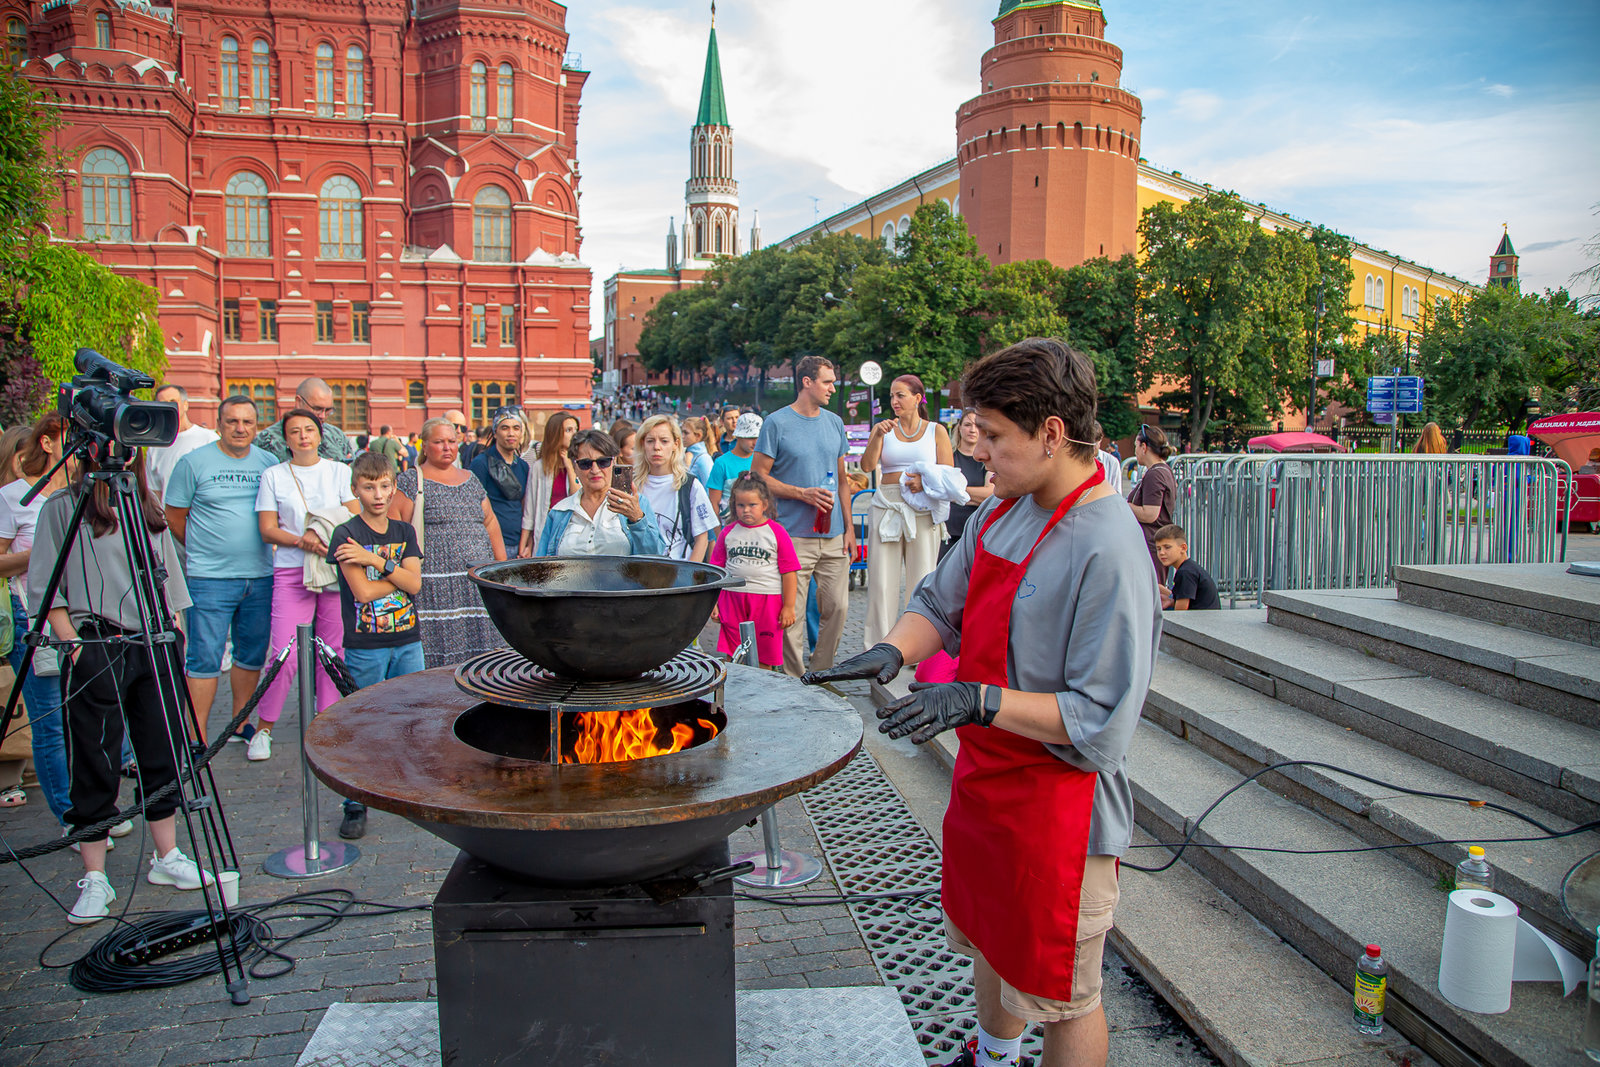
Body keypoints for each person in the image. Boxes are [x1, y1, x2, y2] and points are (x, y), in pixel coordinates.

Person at [804, 337, 1160, 1067]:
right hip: (988, 790)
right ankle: (993, 1057)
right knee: (990, 944)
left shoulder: (1111, 545)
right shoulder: (1005, 509)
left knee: (1066, 997)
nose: (978, 453)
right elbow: (940, 599)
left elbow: (1100, 725)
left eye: (992, 435)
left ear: (1051, 433)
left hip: (1061, 813)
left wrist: (978, 699)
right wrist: (893, 649)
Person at [30, 444, 216, 925]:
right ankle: (95, 876)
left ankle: (167, 856)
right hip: (95, 642)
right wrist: (73, 644)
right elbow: (47, 589)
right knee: (95, 758)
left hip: (152, 642)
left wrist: (173, 629)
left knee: (161, 751)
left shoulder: (143, 502)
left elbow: (170, 579)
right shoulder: (63, 509)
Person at [163, 395, 275, 741]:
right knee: (204, 658)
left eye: (247, 422)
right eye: (232, 421)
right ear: (218, 424)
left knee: (251, 655)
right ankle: (195, 735)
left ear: (257, 427)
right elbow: (174, 517)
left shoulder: (268, 462)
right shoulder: (194, 463)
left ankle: (239, 725)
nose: (240, 428)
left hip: (260, 576)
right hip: (209, 578)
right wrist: (204, 548)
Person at [250, 410, 359, 761]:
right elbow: (268, 529)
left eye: (309, 429)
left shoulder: (339, 471)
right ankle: (264, 727)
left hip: (332, 571)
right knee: (285, 654)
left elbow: (355, 514)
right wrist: (304, 541)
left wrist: (322, 534)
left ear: (320, 434)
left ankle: (326, 719)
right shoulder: (274, 475)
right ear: (286, 439)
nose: (302, 436)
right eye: (294, 431)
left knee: (331, 650)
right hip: (290, 571)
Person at [327, 452, 425, 839]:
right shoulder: (345, 533)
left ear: (394, 487)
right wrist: (398, 574)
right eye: (369, 487)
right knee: (364, 722)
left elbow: (416, 586)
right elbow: (364, 592)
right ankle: (355, 802)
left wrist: (373, 559)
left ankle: (410, 788)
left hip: (406, 638)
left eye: (385, 486)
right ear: (356, 489)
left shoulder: (404, 532)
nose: (378, 494)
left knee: (411, 715)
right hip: (366, 641)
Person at [752, 355, 856, 677]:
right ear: (807, 382)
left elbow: (842, 481)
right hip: (793, 535)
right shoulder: (776, 423)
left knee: (838, 609)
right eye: (827, 381)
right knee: (792, 615)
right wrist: (802, 493)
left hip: (834, 534)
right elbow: (757, 476)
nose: (832, 387)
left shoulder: (835, 422)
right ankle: (795, 682)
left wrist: (849, 528)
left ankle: (822, 673)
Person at [0, 414, 73, 826]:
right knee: (51, 723)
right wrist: (42, 553)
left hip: (87, 622)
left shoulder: (87, 493)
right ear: (47, 444)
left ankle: (95, 806)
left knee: (88, 718)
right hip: (36, 622)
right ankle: (69, 814)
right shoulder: (14, 497)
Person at [388, 419, 505, 667]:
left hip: (474, 582)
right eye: (438, 442)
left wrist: (501, 566)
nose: (446, 447)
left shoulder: (470, 478)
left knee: (482, 651)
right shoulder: (411, 481)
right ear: (425, 445)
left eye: (451, 441)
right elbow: (394, 525)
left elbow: (491, 522)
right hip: (434, 585)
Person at [859, 374, 953, 650]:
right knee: (881, 582)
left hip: (922, 508)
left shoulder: (936, 430)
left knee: (922, 579)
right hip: (887, 504)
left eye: (901, 395)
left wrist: (925, 482)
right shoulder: (885, 430)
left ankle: (919, 647)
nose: (895, 401)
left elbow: (948, 474)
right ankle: (878, 648)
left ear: (917, 398)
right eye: (892, 395)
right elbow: (866, 467)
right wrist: (876, 435)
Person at [709, 472, 798, 669]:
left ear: (764, 504)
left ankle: (761, 694)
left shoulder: (777, 532)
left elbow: (789, 572)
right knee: (733, 654)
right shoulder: (728, 532)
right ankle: (732, 693)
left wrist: (789, 606)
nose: (746, 510)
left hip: (767, 600)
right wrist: (713, 602)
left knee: (765, 656)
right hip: (732, 598)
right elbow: (716, 569)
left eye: (752, 505)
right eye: (741, 505)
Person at [535, 429, 665, 556]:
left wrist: (636, 518)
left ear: (613, 462)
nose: (595, 469)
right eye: (585, 464)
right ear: (575, 467)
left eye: (603, 462)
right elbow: (543, 566)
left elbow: (654, 556)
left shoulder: (634, 504)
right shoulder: (560, 511)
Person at [634, 415, 716, 562]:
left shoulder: (689, 484)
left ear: (675, 444)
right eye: (650, 441)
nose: (656, 447)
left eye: (664, 441)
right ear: (642, 444)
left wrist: (690, 577)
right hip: (639, 571)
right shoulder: (633, 485)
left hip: (678, 573)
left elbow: (702, 539)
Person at [470, 410, 530, 559]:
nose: (511, 433)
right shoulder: (481, 463)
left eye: (516, 428)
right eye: (505, 428)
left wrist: (527, 544)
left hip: (518, 546)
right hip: (490, 544)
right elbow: (473, 507)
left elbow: (525, 506)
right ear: (495, 432)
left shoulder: (523, 466)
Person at [517, 412, 579, 557]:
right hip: (545, 531)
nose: (574, 434)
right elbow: (530, 509)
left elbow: (577, 497)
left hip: (571, 533)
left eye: (576, 430)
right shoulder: (539, 467)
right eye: (569, 430)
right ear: (556, 433)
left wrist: (569, 467)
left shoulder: (581, 465)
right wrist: (524, 545)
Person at [144, 384, 218, 502]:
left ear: (185, 405)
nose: (169, 407)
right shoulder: (156, 446)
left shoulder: (209, 439)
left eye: (173, 401)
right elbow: (155, 492)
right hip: (167, 518)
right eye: (163, 403)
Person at [254, 378, 355, 462]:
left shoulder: (337, 437)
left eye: (328, 410)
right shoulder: (267, 440)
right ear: (299, 402)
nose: (323, 416)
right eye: (317, 409)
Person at [942, 408, 995, 563]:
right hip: (948, 533)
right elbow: (940, 490)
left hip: (978, 531)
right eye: (967, 425)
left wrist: (956, 493)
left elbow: (991, 494)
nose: (972, 430)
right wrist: (975, 496)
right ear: (959, 427)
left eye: (977, 425)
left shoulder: (986, 459)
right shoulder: (949, 458)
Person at [1127, 424, 1176, 581]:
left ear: (1144, 447)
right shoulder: (1162, 470)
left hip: (1152, 545)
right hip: (1155, 543)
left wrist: (1123, 505)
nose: (1135, 451)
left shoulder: (1155, 474)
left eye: (1136, 446)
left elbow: (1150, 514)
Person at [707, 412, 761, 520]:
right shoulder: (721, 463)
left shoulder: (761, 460)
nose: (755, 442)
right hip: (729, 527)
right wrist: (719, 535)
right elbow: (713, 504)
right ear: (739, 435)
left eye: (758, 437)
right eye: (750, 437)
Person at [1153, 524, 1219, 611]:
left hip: (1199, 622)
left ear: (1183, 548)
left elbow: (1180, 613)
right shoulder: (1189, 567)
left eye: (1167, 547)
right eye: (1158, 549)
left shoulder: (1185, 572)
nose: (1162, 552)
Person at [682, 415, 716, 487]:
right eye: (682, 432)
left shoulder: (703, 459)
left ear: (698, 435)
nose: (682, 436)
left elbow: (709, 490)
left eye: (686, 433)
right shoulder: (686, 454)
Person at [1092, 421, 1123, 495]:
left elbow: (1117, 493)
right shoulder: (1076, 460)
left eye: (1094, 443)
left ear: (1100, 440)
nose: (1090, 448)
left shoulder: (1112, 462)